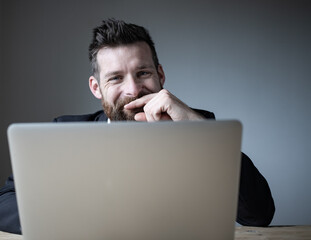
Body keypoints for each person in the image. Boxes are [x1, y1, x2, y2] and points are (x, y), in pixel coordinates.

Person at [0, 19, 275, 234]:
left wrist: (195, 128)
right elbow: (5, 203)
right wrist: (71, 219)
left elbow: (259, 214)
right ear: (96, 88)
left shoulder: (198, 127)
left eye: (143, 73)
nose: (133, 90)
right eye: (116, 78)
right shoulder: (63, 132)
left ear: (160, 75)